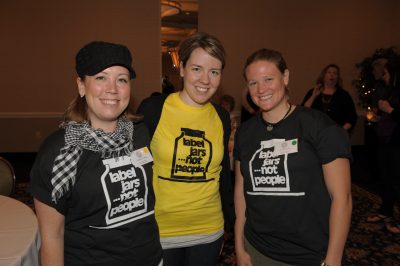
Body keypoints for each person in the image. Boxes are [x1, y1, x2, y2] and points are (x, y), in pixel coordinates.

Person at [28, 41, 162, 266]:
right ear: (81, 85)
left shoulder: (140, 134)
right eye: (101, 77)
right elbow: (52, 236)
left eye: (122, 79)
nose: (113, 89)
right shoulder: (58, 152)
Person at [234, 48, 352, 266]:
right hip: (257, 249)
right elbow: (241, 192)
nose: (261, 89)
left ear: (285, 77)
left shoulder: (319, 127)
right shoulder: (245, 133)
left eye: (268, 79)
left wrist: (333, 259)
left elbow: (342, 198)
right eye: (253, 83)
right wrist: (240, 248)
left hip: (309, 254)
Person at [137, 32, 234, 266]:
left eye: (214, 72)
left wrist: (227, 226)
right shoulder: (153, 109)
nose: (205, 80)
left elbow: (223, 176)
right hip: (160, 230)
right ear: (182, 69)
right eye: (197, 69)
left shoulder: (221, 117)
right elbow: (136, 170)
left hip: (208, 229)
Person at [366, 63, 400, 234]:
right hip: (386, 141)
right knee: (385, 178)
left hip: (397, 143)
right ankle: (385, 211)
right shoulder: (390, 90)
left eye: (385, 73)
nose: (383, 76)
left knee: (396, 181)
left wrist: (390, 109)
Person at [302, 64, 358, 132]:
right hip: (315, 132)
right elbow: (304, 110)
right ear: (323, 76)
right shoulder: (313, 91)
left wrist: (341, 131)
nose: (332, 75)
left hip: (336, 133)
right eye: (329, 72)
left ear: (338, 77)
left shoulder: (344, 95)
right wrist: (313, 96)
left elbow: (352, 117)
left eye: (335, 73)